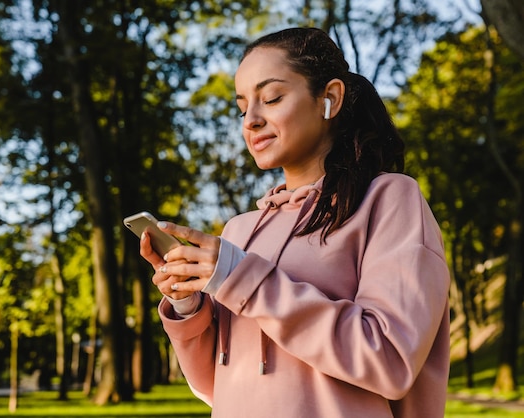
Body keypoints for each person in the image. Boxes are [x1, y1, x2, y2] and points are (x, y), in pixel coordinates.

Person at [139, 27, 450, 418]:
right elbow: (219, 386)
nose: (250, 120)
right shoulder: (239, 230)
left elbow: (388, 359)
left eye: (271, 98)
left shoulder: (388, 200)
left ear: (329, 99)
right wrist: (187, 305)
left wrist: (242, 278)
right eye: (241, 107)